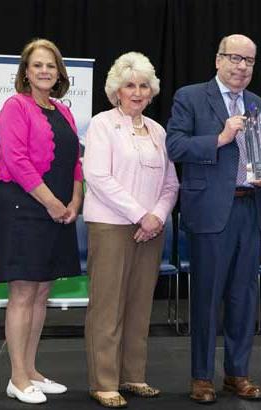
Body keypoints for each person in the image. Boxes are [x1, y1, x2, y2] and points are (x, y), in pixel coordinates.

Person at [166, 34, 261, 404]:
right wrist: (220, 136)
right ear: (217, 60)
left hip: (251, 208)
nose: (241, 66)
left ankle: (237, 373)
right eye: (234, 58)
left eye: (248, 60)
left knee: (244, 296)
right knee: (207, 297)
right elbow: (176, 145)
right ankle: (201, 376)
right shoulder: (191, 97)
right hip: (211, 211)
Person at [82, 51, 179, 408]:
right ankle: (104, 381)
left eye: (143, 86)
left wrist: (157, 216)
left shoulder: (158, 130)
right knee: (107, 307)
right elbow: (98, 176)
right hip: (111, 226)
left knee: (139, 306)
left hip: (151, 230)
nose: (136, 92)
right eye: (129, 86)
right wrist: (141, 214)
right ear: (116, 91)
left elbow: (171, 184)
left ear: (151, 92)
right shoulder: (102, 124)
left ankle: (133, 376)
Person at [0, 38, 83, 404]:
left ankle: (31, 370)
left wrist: (74, 201)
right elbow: (15, 161)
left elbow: (76, 161)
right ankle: (16, 377)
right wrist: (52, 203)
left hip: (57, 210)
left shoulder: (64, 111)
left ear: (59, 72)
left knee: (43, 291)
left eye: (51, 65)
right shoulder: (15, 107)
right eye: (37, 65)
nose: (45, 71)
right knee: (23, 292)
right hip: (21, 208)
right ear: (25, 72)